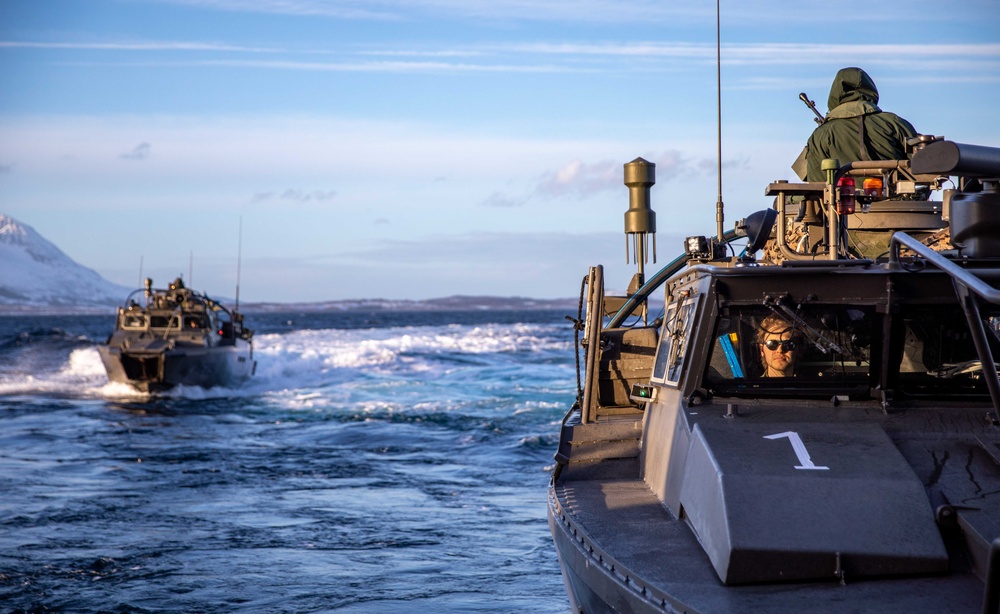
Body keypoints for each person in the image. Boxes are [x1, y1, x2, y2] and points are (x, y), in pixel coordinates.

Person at [803, 67, 917, 182]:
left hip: (843, 199)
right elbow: (921, 167)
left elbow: (816, 182)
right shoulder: (894, 123)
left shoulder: (821, 134)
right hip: (898, 199)